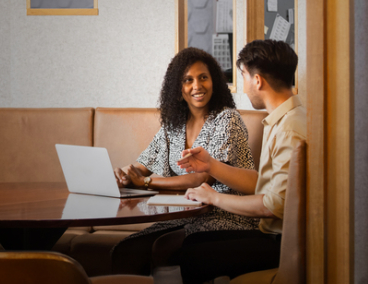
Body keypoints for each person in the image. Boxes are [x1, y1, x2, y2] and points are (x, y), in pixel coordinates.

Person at [110, 47, 258, 275]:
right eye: (188, 80)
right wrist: (127, 174)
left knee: (165, 247)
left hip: (227, 213)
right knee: (128, 249)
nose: (197, 86)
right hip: (187, 214)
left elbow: (202, 177)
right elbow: (143, 166)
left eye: (203, 78)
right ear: (179, 89)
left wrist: (146, 183)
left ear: (214, 82)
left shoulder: (227, 119)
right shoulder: (173, 125)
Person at [176, 39, 306, 283]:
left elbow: (273, 205)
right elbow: (266, 184)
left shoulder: (289, 129)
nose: (244, 87)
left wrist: (213, 197)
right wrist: (211, 165)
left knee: (193, 255)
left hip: (282, 243)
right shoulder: (284, 119)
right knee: (193, 242)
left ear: (258, 80)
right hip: (273, 235)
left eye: (244, 76)